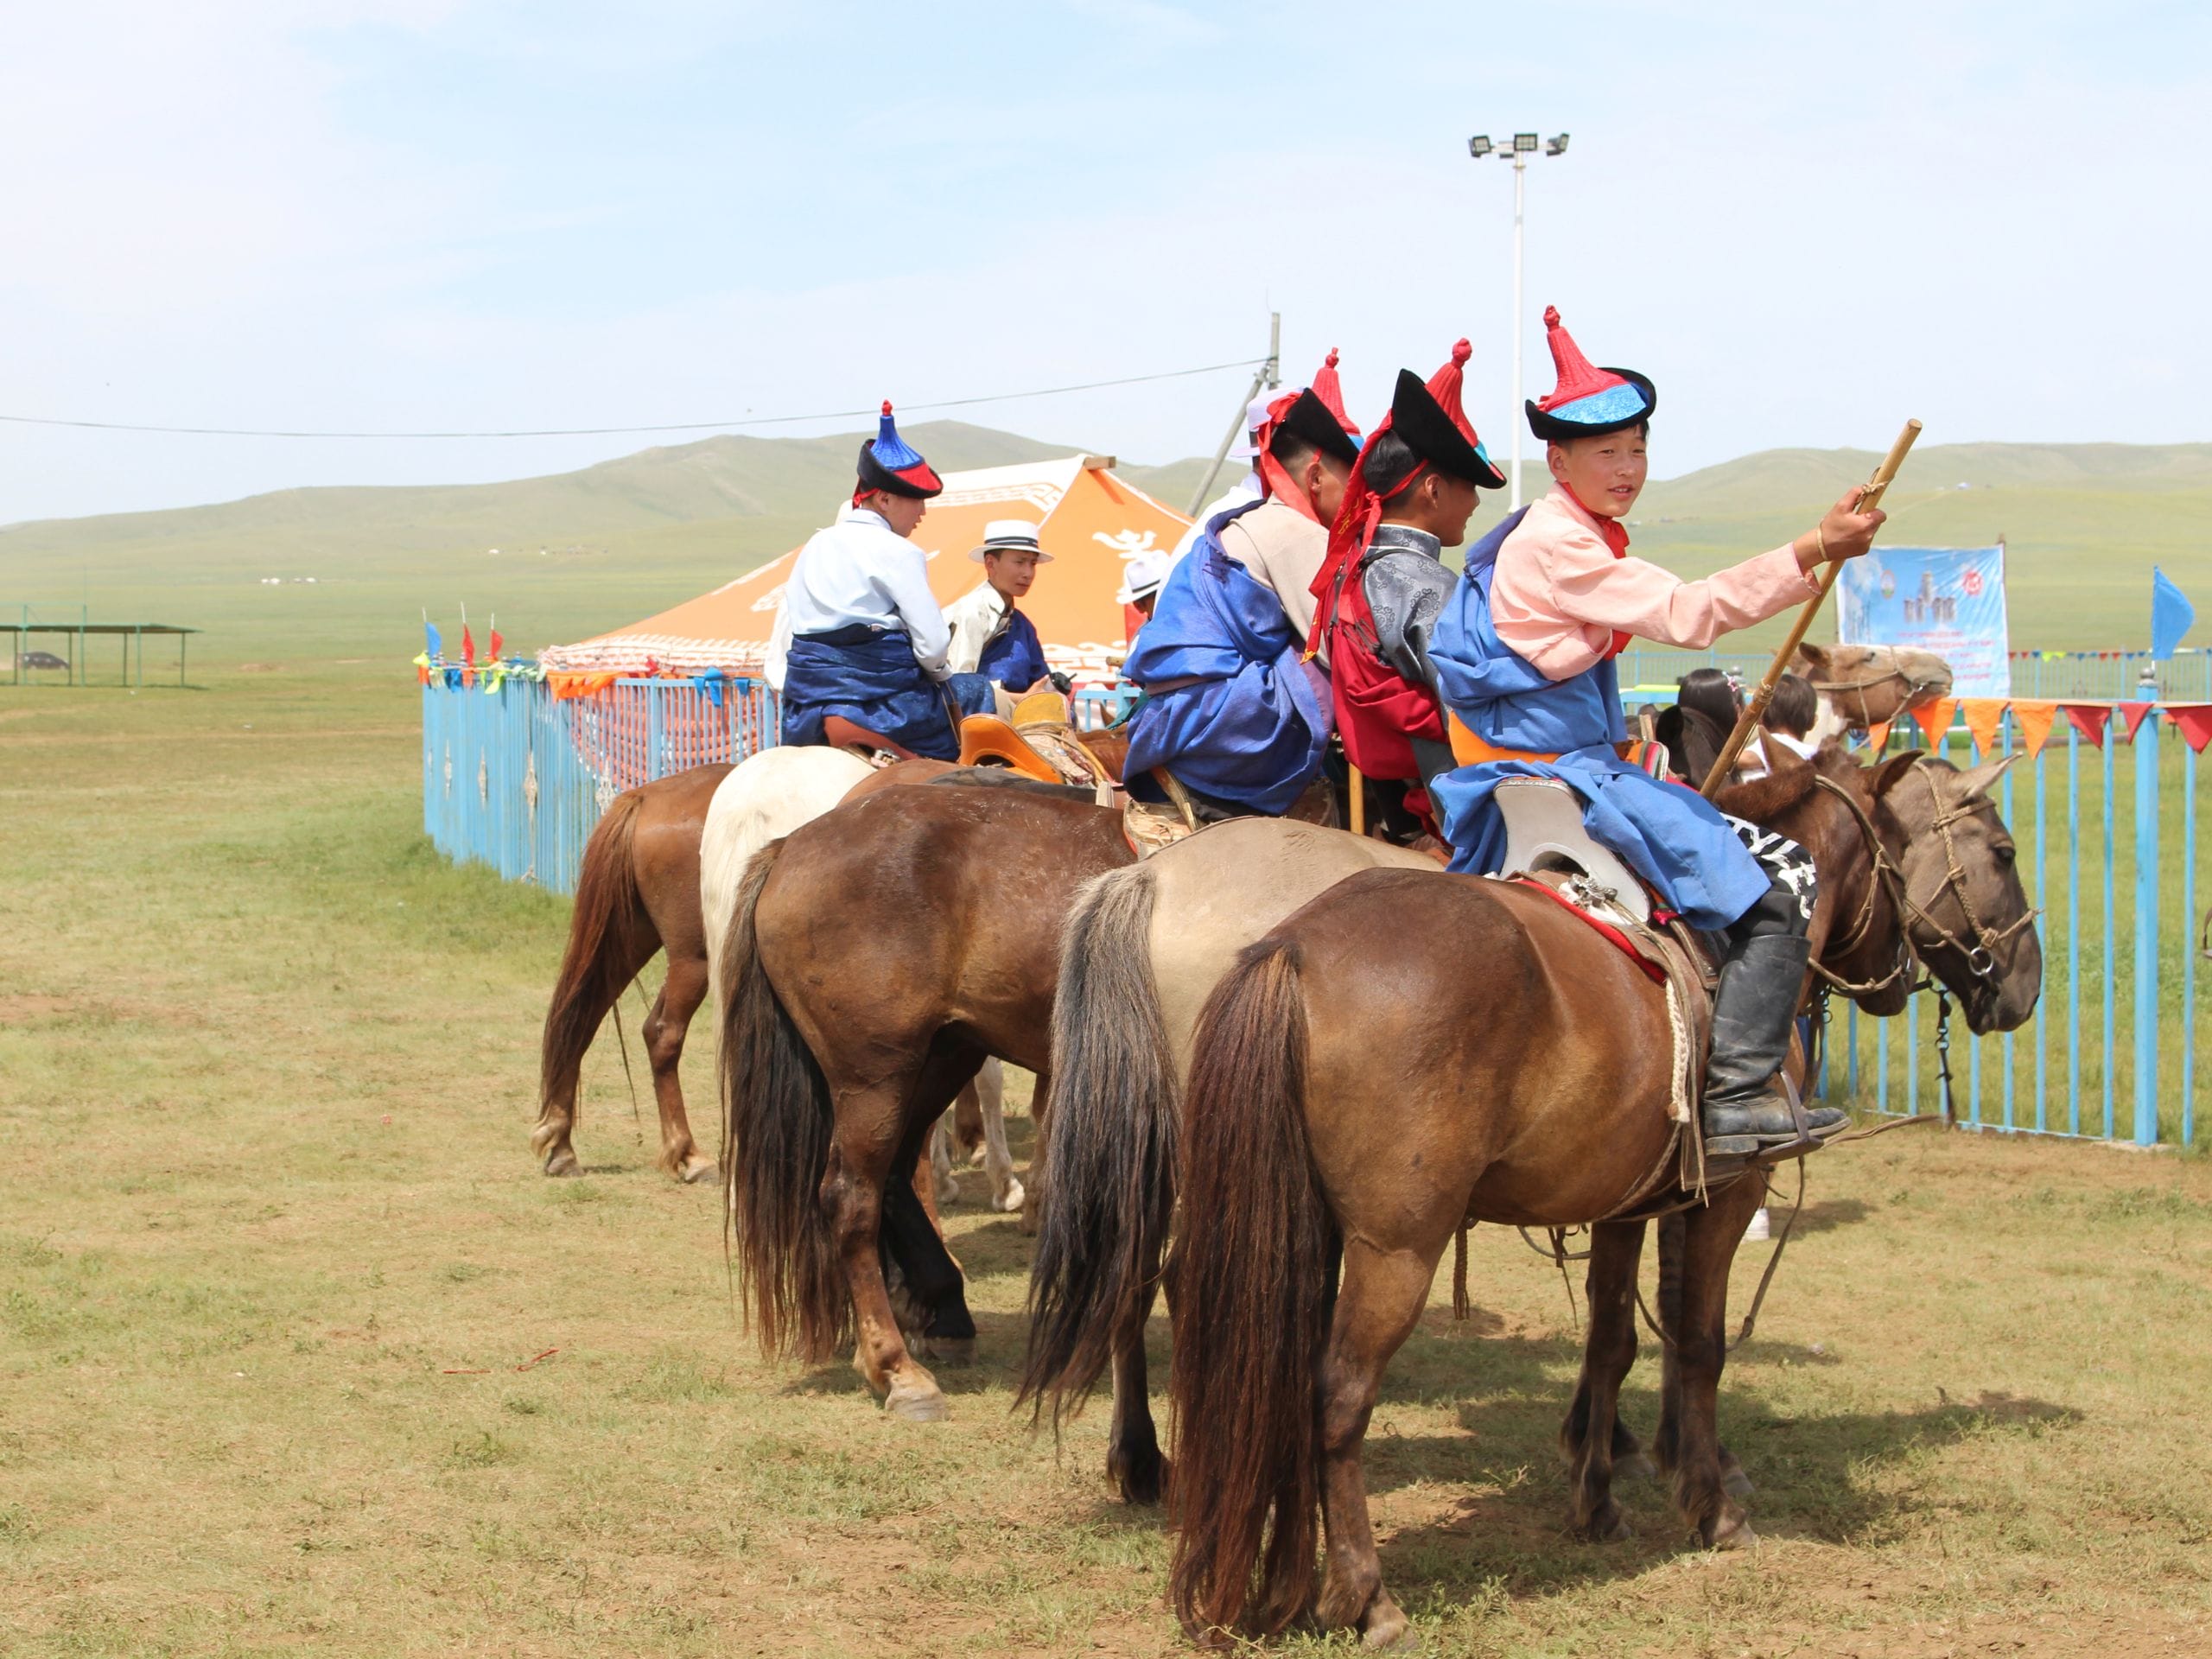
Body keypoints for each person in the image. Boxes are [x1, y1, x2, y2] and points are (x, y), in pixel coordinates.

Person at [1427, 307, 1887, 1160]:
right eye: (1606, 453)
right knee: (1784, 876)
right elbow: (1685, 610)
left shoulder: (1537, 534)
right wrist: (1813, 546)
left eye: (1637, 449)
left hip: (1543, 770)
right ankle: (1734, 1096)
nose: (1628, 468)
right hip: (1567, 775)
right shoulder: (1561, 542)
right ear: (1558, 461)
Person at [1121, 353, 1363, 817]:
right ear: (1312, 473)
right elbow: (1336, 644)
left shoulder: (1230, 513)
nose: (1356, 494)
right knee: (1340, 664)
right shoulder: (1285, 525)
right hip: (1214, 715)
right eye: (1348, 476)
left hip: (1172, 709)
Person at [1309, 339, 1510, 839]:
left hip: (1396, 799)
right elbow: (1472, 712)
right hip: (1456, 804)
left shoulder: (1347, 571)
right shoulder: (1427, 585)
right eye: (1469, 488)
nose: (1475, 505)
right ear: (1434, 489)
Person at [772, 402, 995, 759]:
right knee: (973, 690)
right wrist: (941, 674)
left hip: (805, 708)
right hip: (880, 706)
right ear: (885, 498)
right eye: (917, 501)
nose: (922, 512)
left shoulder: (815, 544)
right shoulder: (900, 551)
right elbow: (934, 646)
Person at [943, 520, 1054, 692]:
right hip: (980, 716)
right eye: (1020, 562)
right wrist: (1018, 700)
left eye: (1032, 564)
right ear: (990, 563)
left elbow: (1040, 681)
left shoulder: (1023, 625)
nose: (1028, 573)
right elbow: (960, 688)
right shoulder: (971, 611)